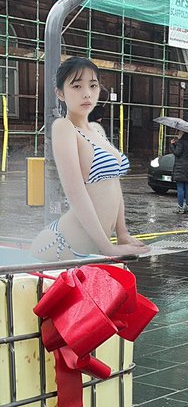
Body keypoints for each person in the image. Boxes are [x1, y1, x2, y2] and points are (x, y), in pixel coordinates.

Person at [31, 57, 148, 262]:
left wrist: (122, 233)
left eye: (93, 86)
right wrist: (108, 248)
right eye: (76, 86)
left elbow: (113, 182)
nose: (87, 93)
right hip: (63, 245)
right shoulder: (63, 127)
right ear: (60, 93)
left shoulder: (97, 130)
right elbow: (75, 191)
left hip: (94, 246)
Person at [170, 130, 188, 215]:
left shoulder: (181, 142)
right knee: (187, 187)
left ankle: (180, 207)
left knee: (180, 187)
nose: (178, 134)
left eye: (179, 132)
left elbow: (177, 153)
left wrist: (172, 145)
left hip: (180, 166)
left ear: (184, 133)